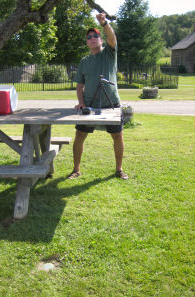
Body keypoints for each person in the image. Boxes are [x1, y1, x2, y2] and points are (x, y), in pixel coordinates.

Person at [68, 13, 128, 180]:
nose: (92, 38)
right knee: (80, 136)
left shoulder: (109, 53)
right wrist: (80, 103)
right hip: (90, 106)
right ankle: (76, 169)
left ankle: (119, 169)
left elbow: (112, 37)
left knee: (117, 136)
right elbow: (79, 86)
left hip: (112, 104)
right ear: (87, 42)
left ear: (101, 40)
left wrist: (104, 23)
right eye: (89, 37)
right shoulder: (84, 61)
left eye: (96, 36)